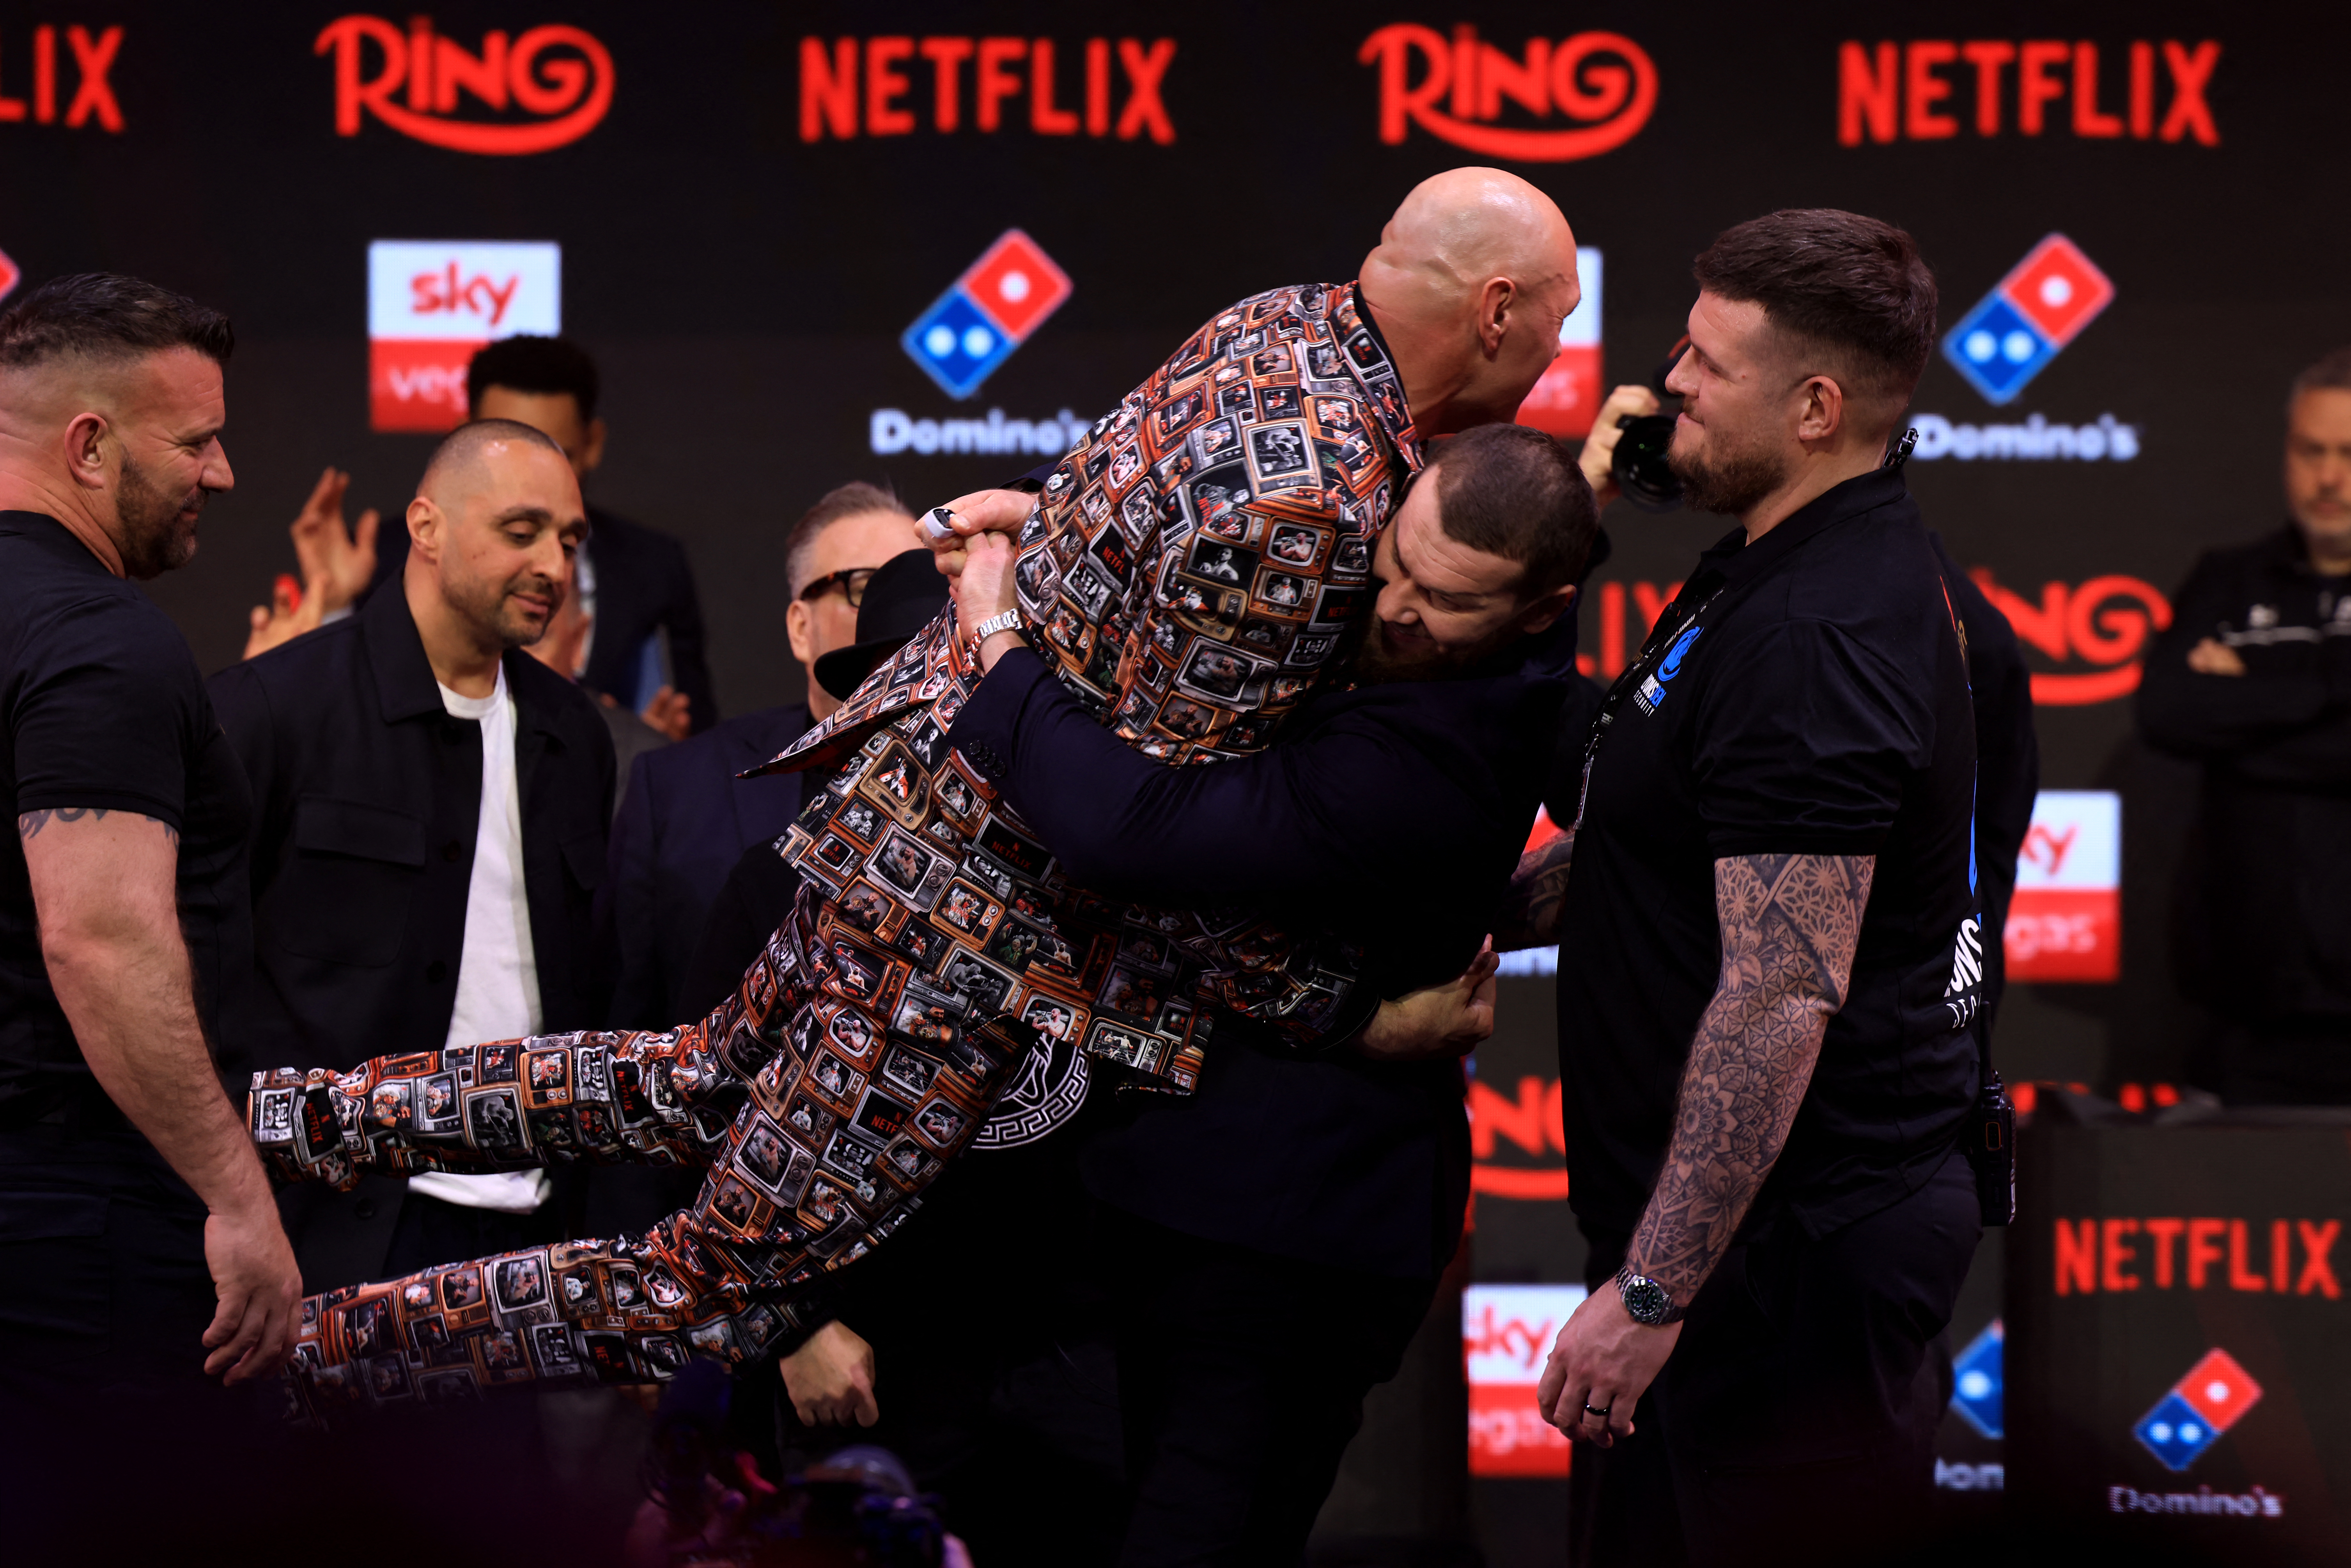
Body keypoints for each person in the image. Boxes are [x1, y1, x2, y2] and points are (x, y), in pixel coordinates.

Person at [250, 167, 1580, 1420]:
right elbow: (1135, 839)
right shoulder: (1321, 508)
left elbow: (1106, 574)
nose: (1557, 355)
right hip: (961, 951)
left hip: (898, 817)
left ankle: (297, 1118)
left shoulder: (1277, 326)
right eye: (1559, 314)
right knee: (703, 1294)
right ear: (1494, 310)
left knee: (691, 1075)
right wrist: (1336, 1009)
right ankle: (294, 1355)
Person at [934, 419, 1594, 1560]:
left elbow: (1121, 830)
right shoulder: (1431, 590)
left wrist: (999, 637)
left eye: (1445, 603)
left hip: (1292, 1233)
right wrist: (1051, 518)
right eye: (1396, 563)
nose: (1388, 608)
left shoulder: (1423, 765)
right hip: (1159, 1185)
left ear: (1540, 610)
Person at [1501, 210, 1982, 1567]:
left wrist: (1652, 1289)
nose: (1671, 386)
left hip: (1781, 1277)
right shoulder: (1759, 567)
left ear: (1815, 407)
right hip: (1733, 1262)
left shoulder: (1815, 636)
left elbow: (1778, 987)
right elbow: (1654, 852)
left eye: (1707, 362)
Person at [0, 273, 299, 1544]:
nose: (222, 473)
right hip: (81, 1232)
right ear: (89, 443)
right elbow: (102, 937)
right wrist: (236, 1197)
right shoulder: (103, 640)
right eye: (196, 441)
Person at [208, 419, 614, 1296]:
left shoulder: (574, 735)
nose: (554, 563)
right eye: (522, 531)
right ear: (424, 527)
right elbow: (189, 983)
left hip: (532, 1236)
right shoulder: (276, 709)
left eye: (570, 539)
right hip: (321, 1234)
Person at [601, 483, 917, 1032]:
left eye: (919, 589)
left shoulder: (1005, 772)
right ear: (800, 627)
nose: (899, 617)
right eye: (866, 587)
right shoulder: (677, 790)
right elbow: (625, 1016)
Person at [2140, 346, 2351, 1105]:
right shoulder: (2227, 579)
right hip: (2244, 1016)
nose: (2328, 477)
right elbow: (2166, 712)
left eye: (2348, 455)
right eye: (2311, 451)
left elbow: (2211, 723)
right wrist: (2331, 686)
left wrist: (2249, 700)